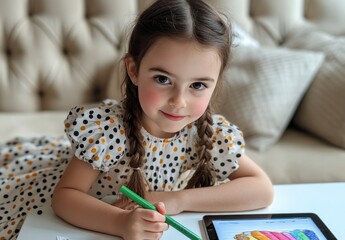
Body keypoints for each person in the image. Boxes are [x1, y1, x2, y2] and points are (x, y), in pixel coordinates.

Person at [0, 0, 273, 239]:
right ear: (133, 70)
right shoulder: (109, 130)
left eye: (198, 85)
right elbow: (65, 197)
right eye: (163, 79)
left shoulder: (208, 134)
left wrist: (178, 199)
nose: (179, 101)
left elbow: (261, 189)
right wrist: (119, 222)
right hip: (80, 218)